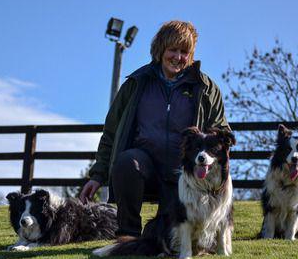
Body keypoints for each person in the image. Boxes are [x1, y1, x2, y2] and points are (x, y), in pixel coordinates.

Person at [80, 20, 230, 241]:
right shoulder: (136, 84)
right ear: (160, 50)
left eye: (184, 52)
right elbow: (111, 132)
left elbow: (221, 135)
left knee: (166, 240)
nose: (178, 57)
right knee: (126, 161)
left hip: (184, 177)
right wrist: (98, 175)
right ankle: (127, 234)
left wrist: (218, 172)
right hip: (145, 168)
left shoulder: (206, 89)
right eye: (173, 50)